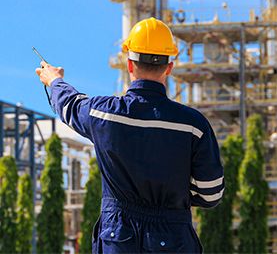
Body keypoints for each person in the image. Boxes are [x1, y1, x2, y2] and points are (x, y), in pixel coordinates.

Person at [36, 17, 224, 254]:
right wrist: (175, 198)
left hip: (118, 238)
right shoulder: (194, 125)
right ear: (169, 67)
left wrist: (54, 80)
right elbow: (211, 194)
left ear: (130, 65)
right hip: (174, 238)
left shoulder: (104, 114)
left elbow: (70, 105)